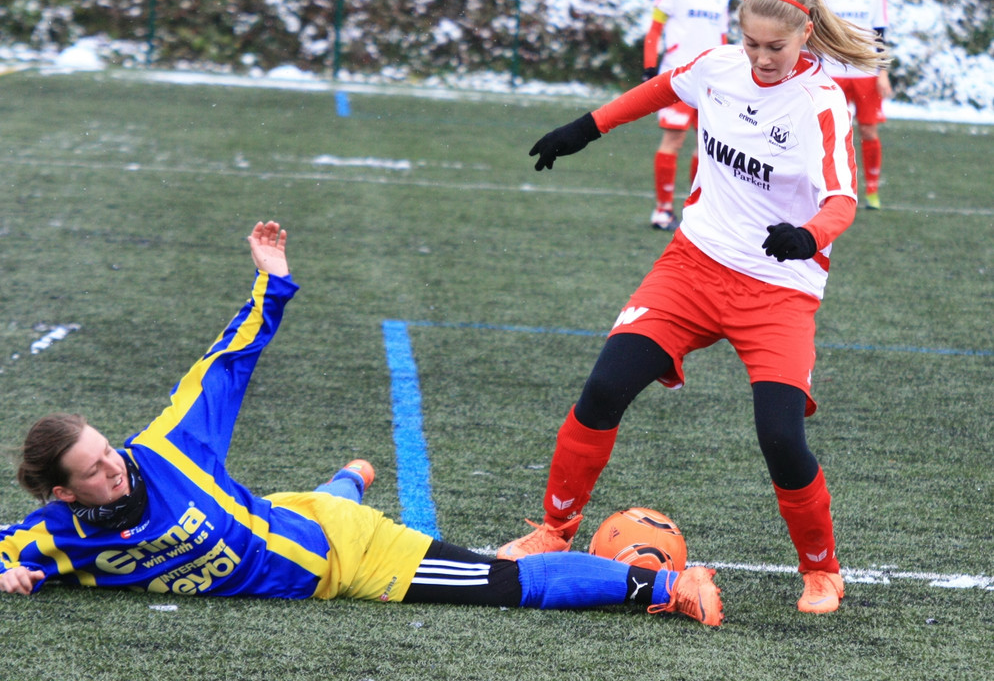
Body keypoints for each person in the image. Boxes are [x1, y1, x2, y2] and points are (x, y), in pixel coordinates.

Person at [0, 221, 722, 626]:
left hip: (347, 554)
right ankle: (344, 481)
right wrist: (9, 573)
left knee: (503, 583)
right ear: (64, 494)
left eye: (107, 449)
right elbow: (8, 548)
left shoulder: (164, 452)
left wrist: (271, 283)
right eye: (95, 470)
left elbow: (225, 364)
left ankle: (667, 587)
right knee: (276, 512)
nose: (115, 465)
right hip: (281, 516)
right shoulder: (53, 538)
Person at [498, 0, 891, 615]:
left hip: (778, 289)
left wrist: (808, 236)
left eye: (775, 47)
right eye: (751, 42)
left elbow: (842, 200)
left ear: (805, 35)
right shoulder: (719, 65)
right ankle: (553, 530)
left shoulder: (821, 101)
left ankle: (822, 570)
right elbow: (660, 89)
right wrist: (586, 128)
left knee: (781, 437)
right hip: (692, 267)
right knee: (604, 388)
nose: (761, 58)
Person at [642, 0, 730, 231]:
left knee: (707, 146)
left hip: (711, 81)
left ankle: (696, 213)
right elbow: (655, 30)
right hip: (678, 77)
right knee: (673, 139)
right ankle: (662, 210)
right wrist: (649, 68)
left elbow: (722, 37)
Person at [820, 0, 891, 209]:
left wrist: (882, 72)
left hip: (865, 71)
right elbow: (820, 31)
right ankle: (830, 188)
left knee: (868, 130)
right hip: (833, 70)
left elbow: (880, 33)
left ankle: (872, 190)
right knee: (830, 131)